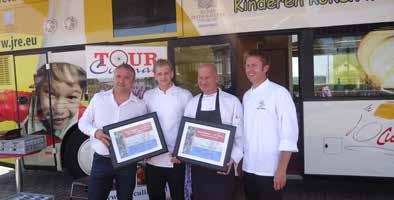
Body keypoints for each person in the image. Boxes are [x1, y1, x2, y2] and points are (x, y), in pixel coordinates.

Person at [78, 63, 147, 200]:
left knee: (126, 197)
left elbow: (143, 134)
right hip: (102, 160)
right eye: (118, 76)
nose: (121, 81)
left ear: (133, 81)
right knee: (95, 197)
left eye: (127, 77)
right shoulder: (99, 99)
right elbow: (82, 123)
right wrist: (95, 132)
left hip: (127, 163)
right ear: (113, 78)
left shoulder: (140, 106)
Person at [242, 49, 299, 200]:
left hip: (270, 170)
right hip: (249, 167)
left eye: (254, 65)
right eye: (247, 66)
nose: (250, 70)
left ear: (265, 68)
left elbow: (289, 135)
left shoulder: (279, 93)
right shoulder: (247, 96)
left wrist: (281, 170)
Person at [183, 63, 243, 200]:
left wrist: (232, 159)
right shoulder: (192, 103)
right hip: (198, 168)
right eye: (200, 78)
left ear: (216, 78)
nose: (203, 82)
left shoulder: (232, 102)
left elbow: (240, 136)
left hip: (223, 167)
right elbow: (187, 136)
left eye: (207, 77)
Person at [143, 59, 192, 200]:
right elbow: (144, 125)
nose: (163, 77)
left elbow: (189, 128)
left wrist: (182, 153)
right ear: (155, 76)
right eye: (159, 73)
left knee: (178, 196)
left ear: (172, 73)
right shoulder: (148, 96)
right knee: (155, 196)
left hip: (175, 158)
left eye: (166, 73)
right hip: (153, 158)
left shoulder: (184, 95)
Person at [26, 63, 86, 138]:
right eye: (51, 94)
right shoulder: (20, 107)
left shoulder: (86, 119)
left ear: (82, 96)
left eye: (71, 97)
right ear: (37, 86)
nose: (59, 110)